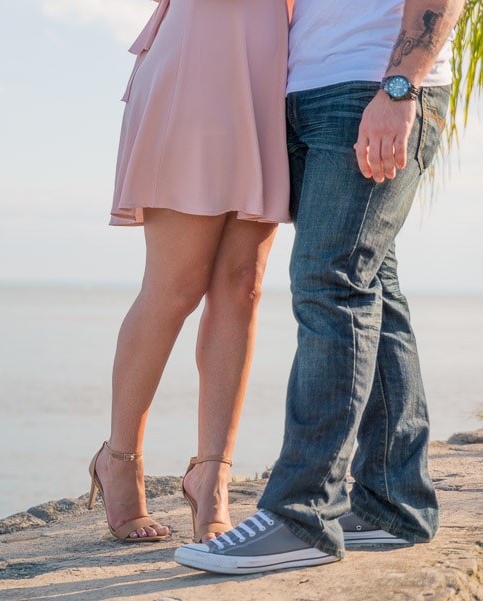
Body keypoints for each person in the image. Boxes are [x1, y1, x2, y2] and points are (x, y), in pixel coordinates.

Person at [174, 0, 466, 573]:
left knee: (328, 284)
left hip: (375, 87)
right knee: (371, 284)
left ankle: (301, 516)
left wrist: (400, 88)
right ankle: (393, 504)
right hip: (309, 91)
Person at [87, 0, 292, 543]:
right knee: (176, 286)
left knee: (242, 286)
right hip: (199, 59)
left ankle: (212, 475)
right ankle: (119, 460)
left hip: (272, 68)